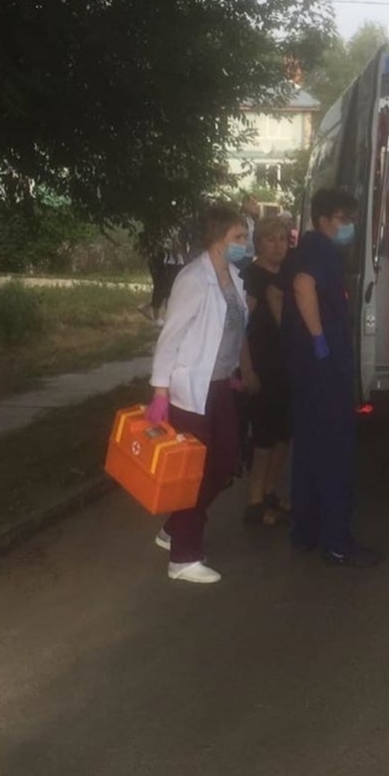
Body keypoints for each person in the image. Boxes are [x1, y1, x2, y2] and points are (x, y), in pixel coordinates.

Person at [148, 203, 249, 584]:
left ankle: (176, 526)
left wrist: (233, 371)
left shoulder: (234, 278)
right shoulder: (193, 278)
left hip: (220, 384)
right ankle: (183, 557)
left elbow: (232, 330)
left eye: (245, 236)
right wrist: (160, 390)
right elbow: (171, 335)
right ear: (217, 238)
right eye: (238, 237)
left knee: (225, 462)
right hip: (191, 389)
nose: (245, 243)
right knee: (193, 471)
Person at [283, 187, 380, 567]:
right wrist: (319, 337)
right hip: (321, 369)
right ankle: (337, 541)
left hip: (309, 370)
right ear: (323, 220)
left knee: (308, 450)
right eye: (343, 219)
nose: (349, 226)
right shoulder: (318, 250)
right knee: (334, 452)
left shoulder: (310, 247)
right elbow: (303, 285)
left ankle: (305, 531)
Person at [240, 216, 292, 526]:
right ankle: (254, 502)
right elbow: (240, 329)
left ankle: (271, 491)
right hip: (261, 367)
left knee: (284, 436)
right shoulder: (251, 278)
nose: (277, 245)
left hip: (285, 367)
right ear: (258, 243)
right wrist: (247, 370)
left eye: (283, 239)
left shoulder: (287, 274)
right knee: (263, 438)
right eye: (271, 239)